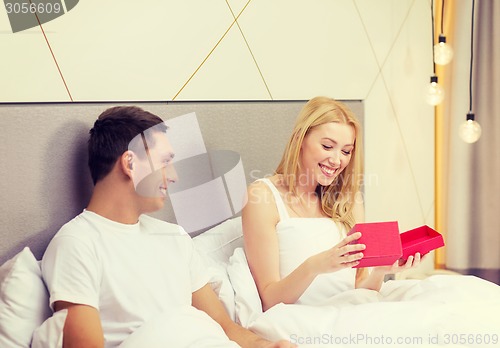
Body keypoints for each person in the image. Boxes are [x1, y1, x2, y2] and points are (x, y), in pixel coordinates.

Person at [40, 106, 294, 347]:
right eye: (164, 162)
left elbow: (224, 327)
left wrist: (265, 345)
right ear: (129, 164)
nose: (173, 175)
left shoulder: (174, 236)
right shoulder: (77, 243)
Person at [242, 97, 423, 311]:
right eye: (328, 146)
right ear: (300, 139)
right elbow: (269, 300)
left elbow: (358, 288)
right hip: (300, 318)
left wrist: (380, 272)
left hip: (348, 313)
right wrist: (315, 266)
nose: (337, 161)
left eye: (346, 151)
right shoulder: (262, 197)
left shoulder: (349, 199)